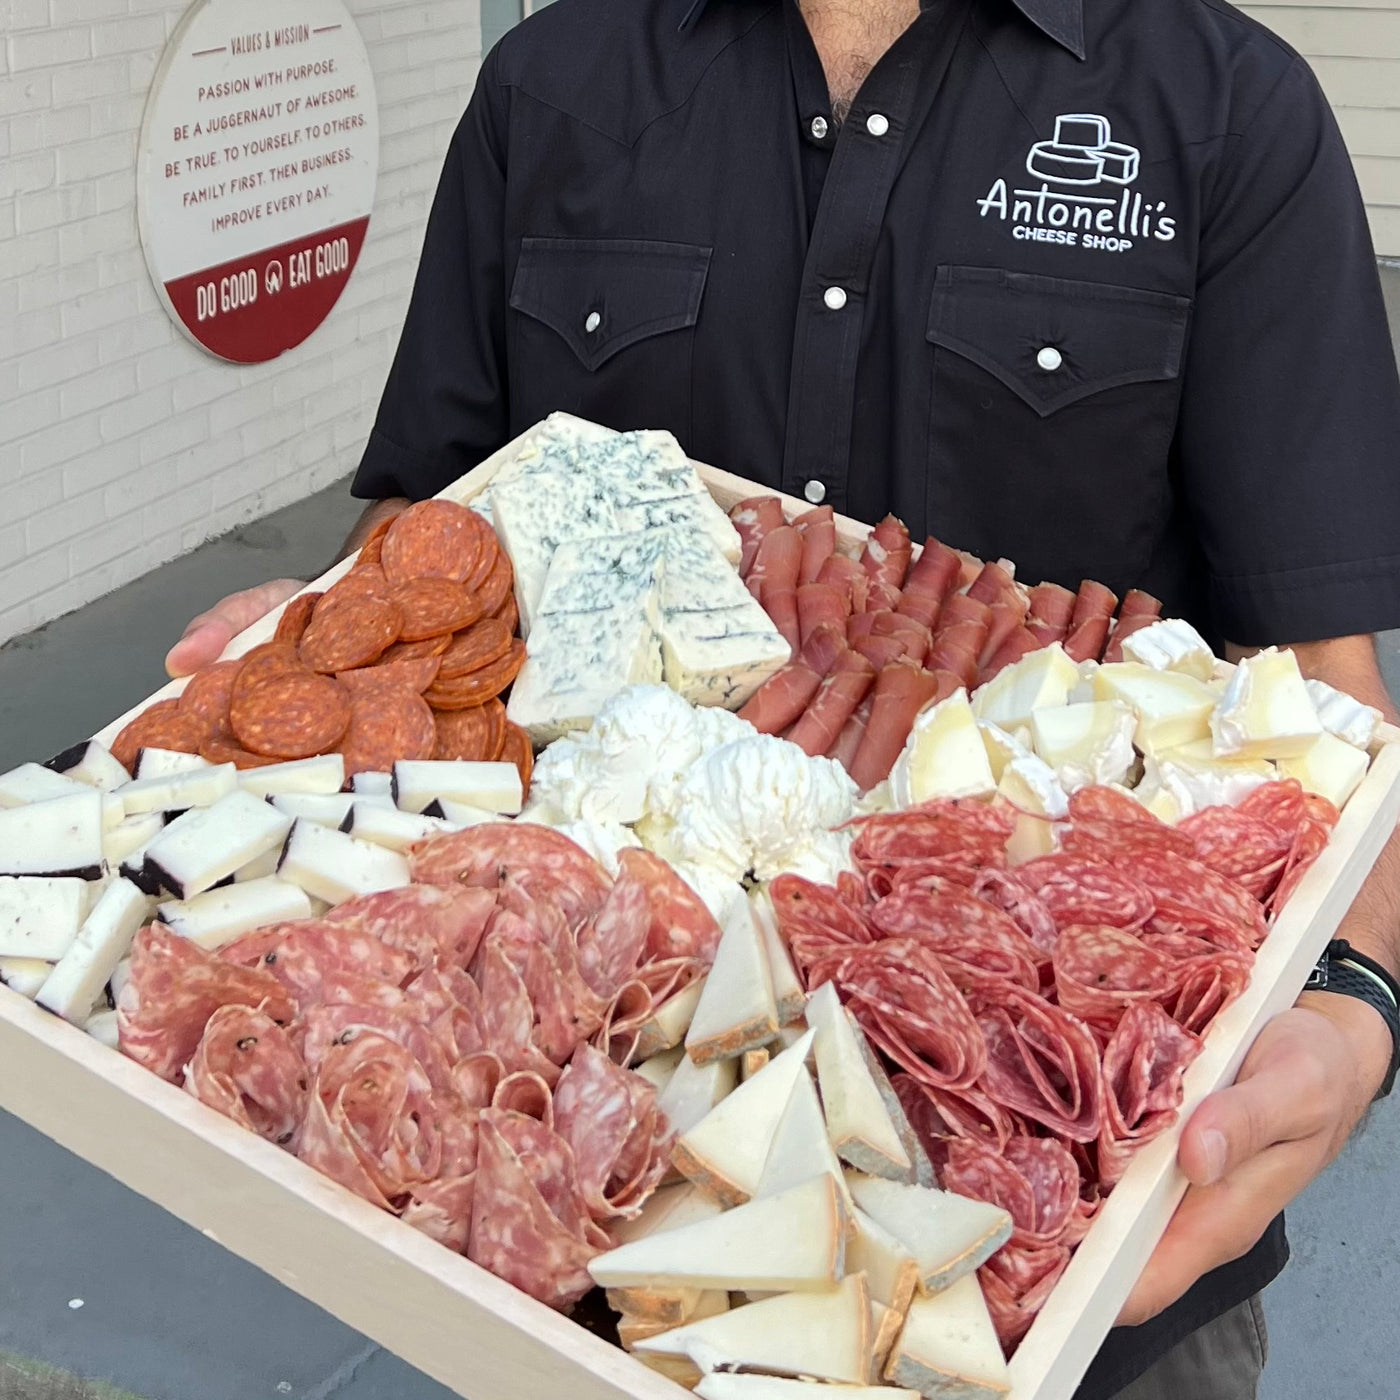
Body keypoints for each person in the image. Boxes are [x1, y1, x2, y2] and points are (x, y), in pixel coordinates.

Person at [167, 0, 1400, 1394]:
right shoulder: (552, 84)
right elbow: (438, 519)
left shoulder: (1223, 106)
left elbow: (1327, 699)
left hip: (1080, 1258)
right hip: (607, 1208)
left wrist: (1360, 1009)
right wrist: (326, 636)